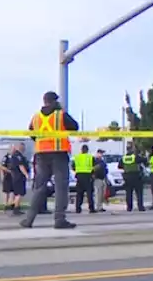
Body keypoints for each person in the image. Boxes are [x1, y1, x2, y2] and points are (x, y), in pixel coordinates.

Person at [20, 91, 79, 229]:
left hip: (41, 155)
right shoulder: (60, 115)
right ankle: (59, 219)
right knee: (60, 187)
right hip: (58, 154)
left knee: (39, 188)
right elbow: (74, 127)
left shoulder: (36, 117)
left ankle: (29, 219)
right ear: (54, 101)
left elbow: (31, 133)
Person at [119, 141, 145, 212]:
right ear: (132, 150)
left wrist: (127, 167)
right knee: (139, 193)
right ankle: (140, 207)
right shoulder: (135, 157)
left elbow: (119, 166)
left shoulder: (124, 158)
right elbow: (144, 160)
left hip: (127, 177)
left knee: (128, 193)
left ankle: (129, 208)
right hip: (136, 176)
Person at [73, 144, 96, 214]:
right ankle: (91, 208)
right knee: (89, 193)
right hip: (88, 176)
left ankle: (78, 209)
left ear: (81, 150)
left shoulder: (77, 157)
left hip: (79, 176)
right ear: (87, 150)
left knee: (79, 193)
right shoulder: (90, 157)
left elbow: (73, 167)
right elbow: (94, 166)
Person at [6, 144, 29, 214]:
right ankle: (16, 208)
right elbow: (21, 166)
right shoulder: (18, 156)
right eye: (23, 147)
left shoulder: (15, 156)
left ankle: (14, 206)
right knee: (19, 193)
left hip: (15, 176)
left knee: (17, 193)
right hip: (19, 176)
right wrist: (26, 174)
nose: (24, 148)